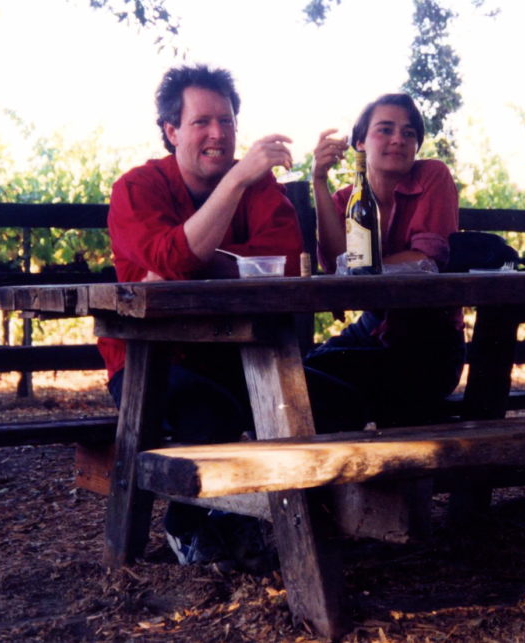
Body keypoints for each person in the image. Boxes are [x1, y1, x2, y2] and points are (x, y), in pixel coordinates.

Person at [99, 64, 364, 571]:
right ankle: (187, 529)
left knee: (339, 405)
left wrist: (196, 259)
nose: (217, 134)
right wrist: (239, 185)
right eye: (201, 122)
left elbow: (284, 262)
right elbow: (169, 258)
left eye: (226, 120)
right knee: (209, 415)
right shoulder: (136, 190)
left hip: (240, 355)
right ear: (171, 130)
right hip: (149, 359)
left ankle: (304, 524)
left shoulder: (262, 191)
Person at [307, 93, 466, 426]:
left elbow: (427, 259)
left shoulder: (432, 177)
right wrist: (319, 180)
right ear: (360, 142)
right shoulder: (346, 199)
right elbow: (337, 262)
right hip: (373, 331)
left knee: (321, 384)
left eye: (409, 133)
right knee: (302, 371)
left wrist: (358, 270)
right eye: (386, 129)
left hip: (429, 343)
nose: (399, 139)